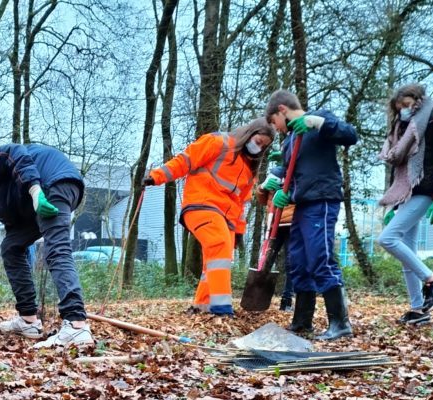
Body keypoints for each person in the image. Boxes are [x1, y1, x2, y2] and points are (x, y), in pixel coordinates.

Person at [0, 143, 92, 349]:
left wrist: (34, 189)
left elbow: (13, 152)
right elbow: (14, 226)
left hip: (51, 182)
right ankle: (29, 320)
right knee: (10, 248)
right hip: (43, 197)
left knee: (56, 248)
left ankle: (76, 325)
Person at [144, 119, 275, 316]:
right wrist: (157, 176)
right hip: (201, 204)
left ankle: (202, 305)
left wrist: (239, 233)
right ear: (249, 134)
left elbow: (241, 204)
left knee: (217, 260)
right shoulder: (218, 142)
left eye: (263, 146)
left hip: (227, 217)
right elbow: (185, 160)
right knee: (219, 243)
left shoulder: (250, 170)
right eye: (258, 141)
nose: (259, 147)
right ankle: (221, 307)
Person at [264, 89, 358, 340]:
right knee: (299, 260)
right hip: (302, 204)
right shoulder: (291, 138)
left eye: (275, 123)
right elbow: (291, 170)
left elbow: (350, 135)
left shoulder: (318, 119)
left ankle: (340, 323)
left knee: (320, 257)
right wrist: (282, 186)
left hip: (321, 200)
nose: (278, 129)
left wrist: (318, 123)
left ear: (282, 110)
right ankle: (302, 321)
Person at [377, 83, 433, 326]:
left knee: (387, 239)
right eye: (399, 107)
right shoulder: (402, 128)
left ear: (419, 100)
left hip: (427, 189)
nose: (404, 110)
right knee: (407, 254)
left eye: (407, 105)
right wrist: (396, 206)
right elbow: (400, 170)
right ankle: (418, 309)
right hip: (407, 193)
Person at [256, 150, 296, 312]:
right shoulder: (274, 174)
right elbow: (262, 200)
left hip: (292, 224)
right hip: (274, 225)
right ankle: (258, 298)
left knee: (291, 262)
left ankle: (287, 300)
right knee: (266, 260)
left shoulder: (298, 174)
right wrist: (262, 188)